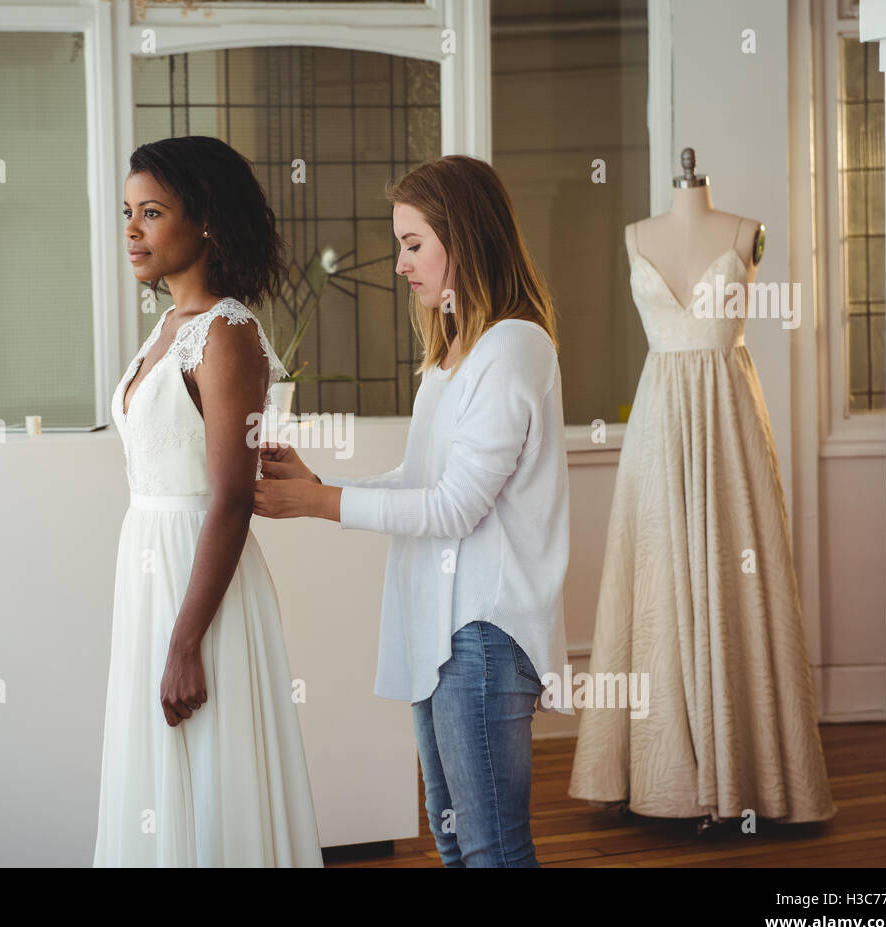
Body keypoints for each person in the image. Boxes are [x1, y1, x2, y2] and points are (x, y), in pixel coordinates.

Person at [253, 154, 572, 867]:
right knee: (454, 836)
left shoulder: (513, 347)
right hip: (440, 629)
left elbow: (456, 507)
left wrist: (318, 503)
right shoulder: (456, 350)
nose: (400, 264)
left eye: (413, 243)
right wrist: (320, 483)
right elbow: (424, 478)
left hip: (482, 634)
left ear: (465, 237)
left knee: (491, 844)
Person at [93, 136, 323, 867]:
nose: (131, 229)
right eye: (127, 212)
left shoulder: (226, 332)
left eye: (152, 212)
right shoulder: (166, 329)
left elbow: (229, 497)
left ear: (207, 223)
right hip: (149, 573)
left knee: (213, 775)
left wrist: (187, 640)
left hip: (205, 591)